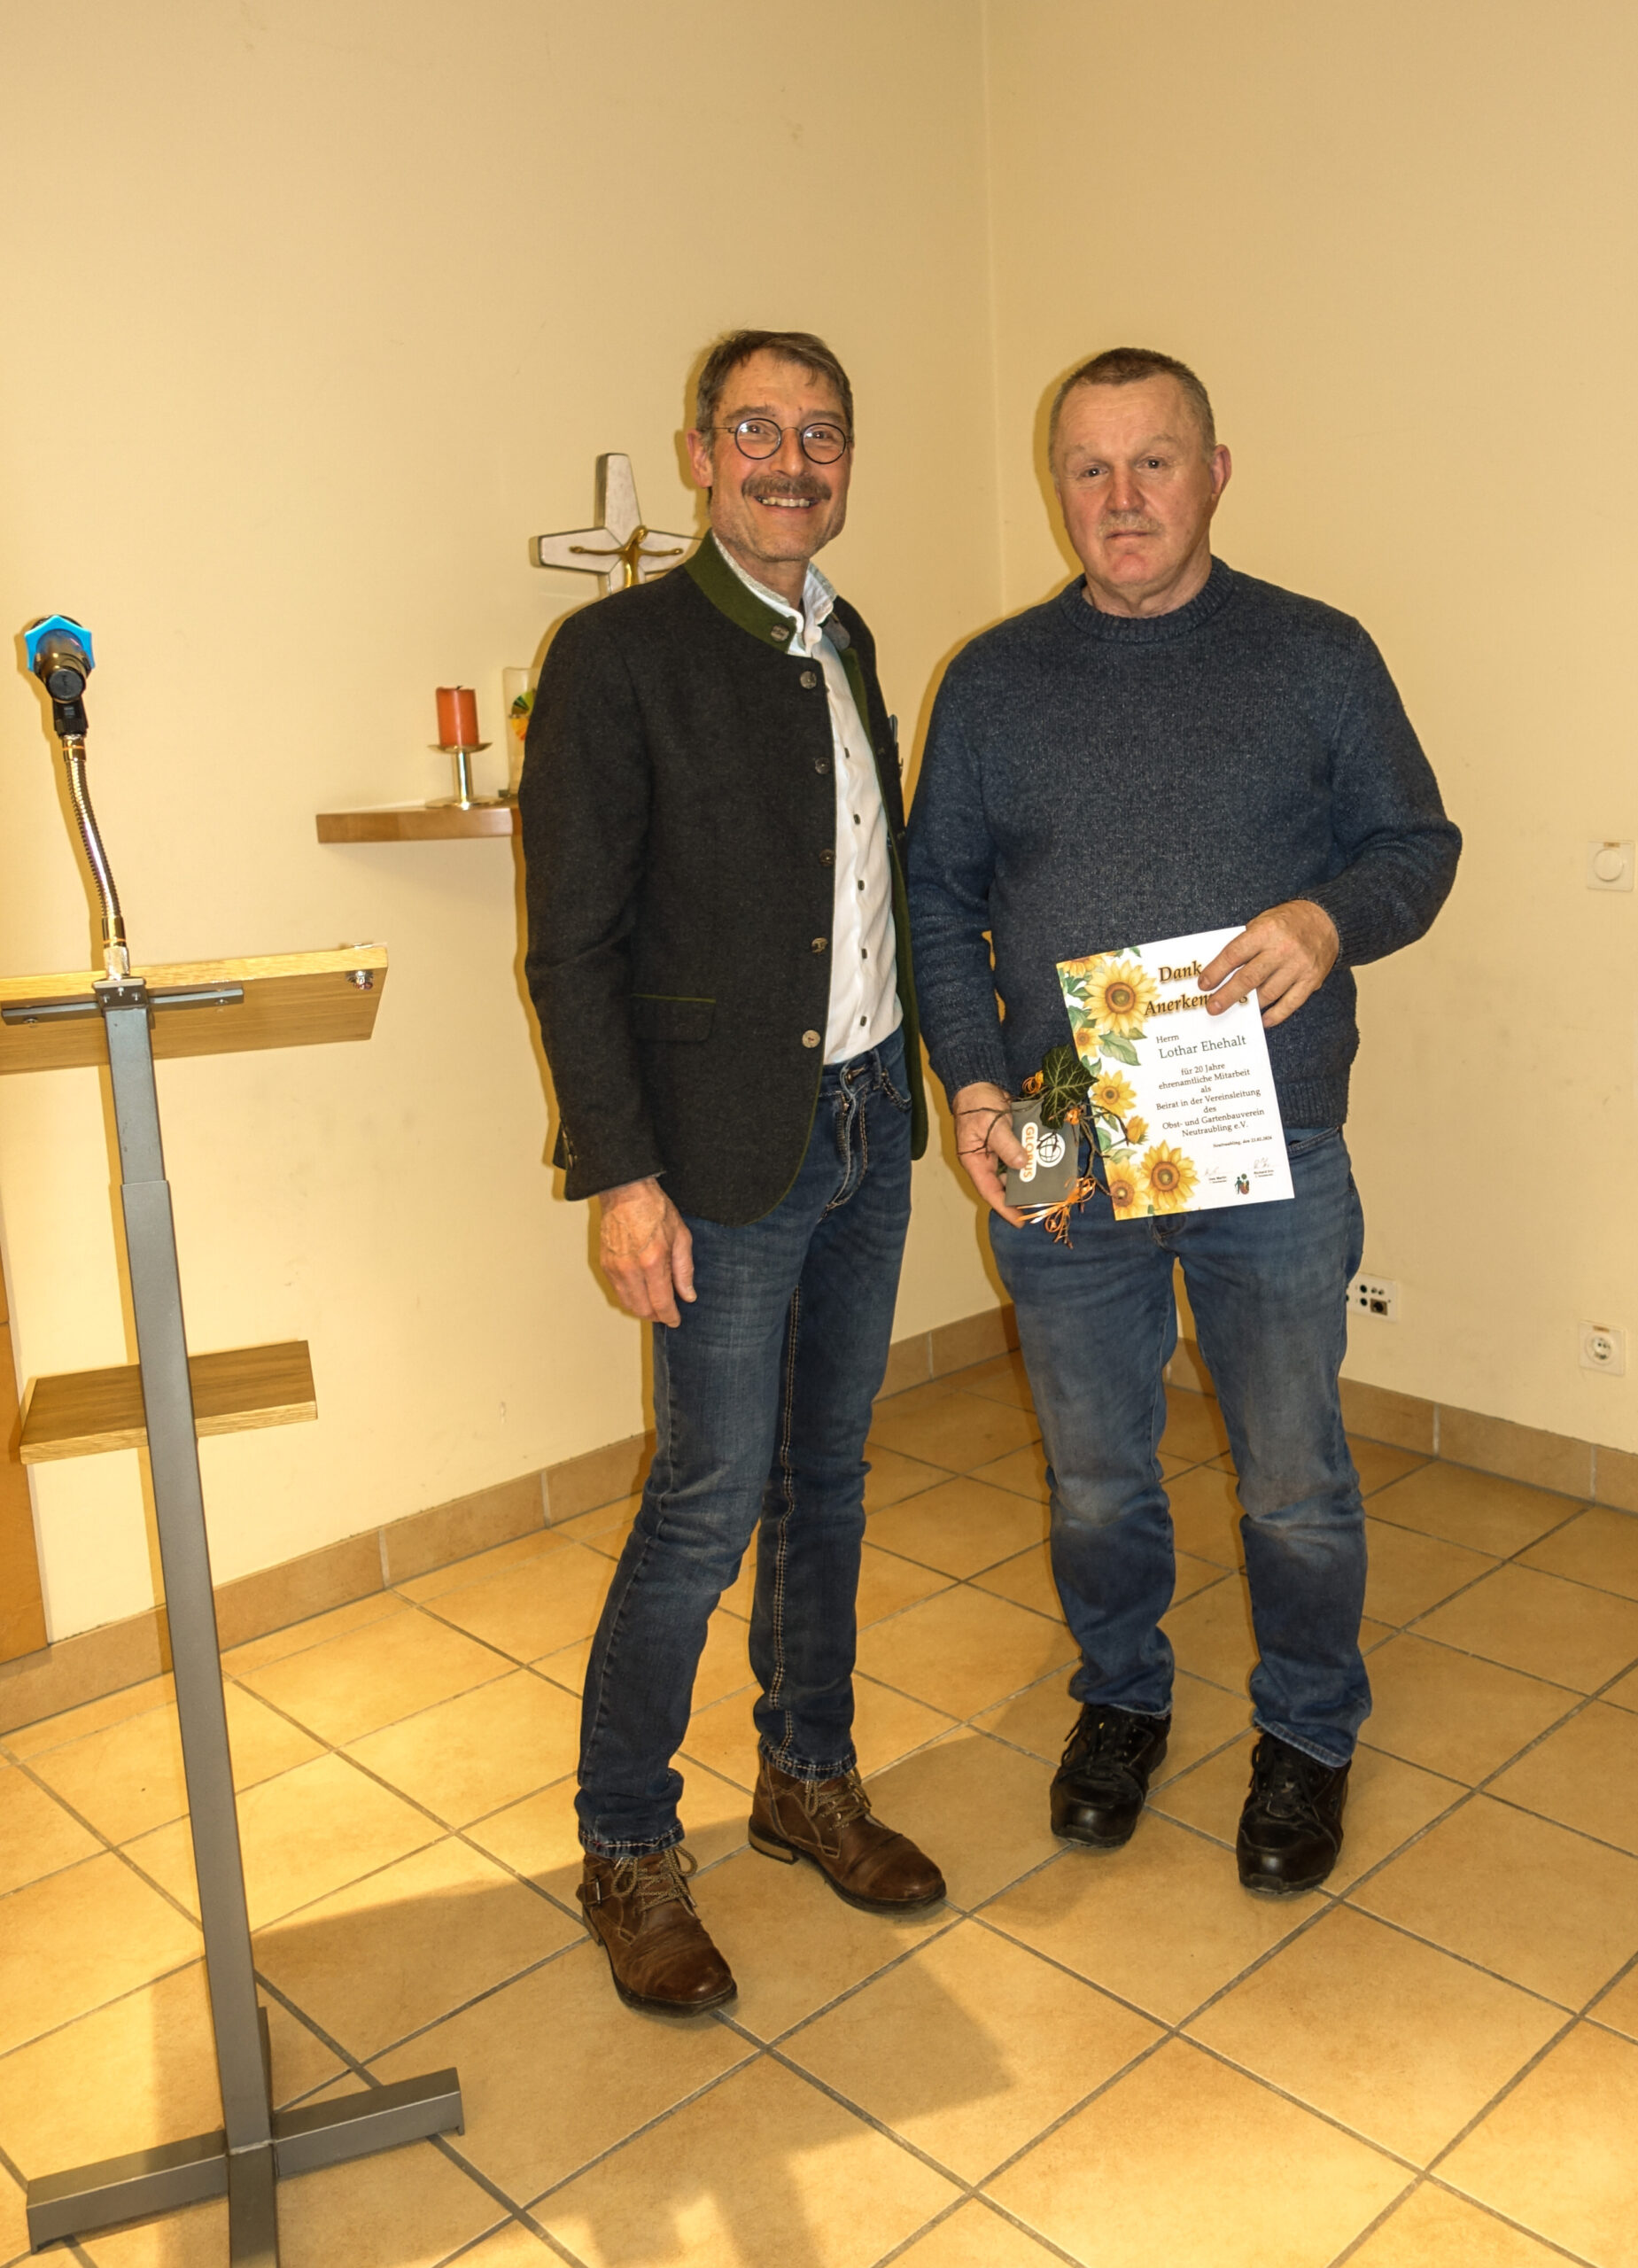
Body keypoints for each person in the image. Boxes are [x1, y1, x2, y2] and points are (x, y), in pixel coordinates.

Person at [907, 346, 1460, 1895]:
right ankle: (1121, 1700)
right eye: (1087, 467)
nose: (1120, 497)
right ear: (1056, 486)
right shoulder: (994, 681)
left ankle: (1307, 1729)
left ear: (1214, 472)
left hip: (1268, 1134)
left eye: (1152, 461)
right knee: (1094, 1470)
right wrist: (973, 1083)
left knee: (1290, 1476)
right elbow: (938, 902)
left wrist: (1327, 918)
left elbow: (1416, 843)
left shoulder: (1315, 655)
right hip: (1060, 1132)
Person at [521, 328, 944, 2016]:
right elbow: (573, 945)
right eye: (756, 430)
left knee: (825, 1478)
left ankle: (804, 1777)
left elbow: (868, 895)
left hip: (866, 1125)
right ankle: (626, 1844)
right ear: (701, 455)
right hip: (714, 1155)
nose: (792, 462)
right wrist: (623, 1177)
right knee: (704, 1504)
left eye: (821, 433)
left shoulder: (846, 636)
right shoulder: (617, 653)